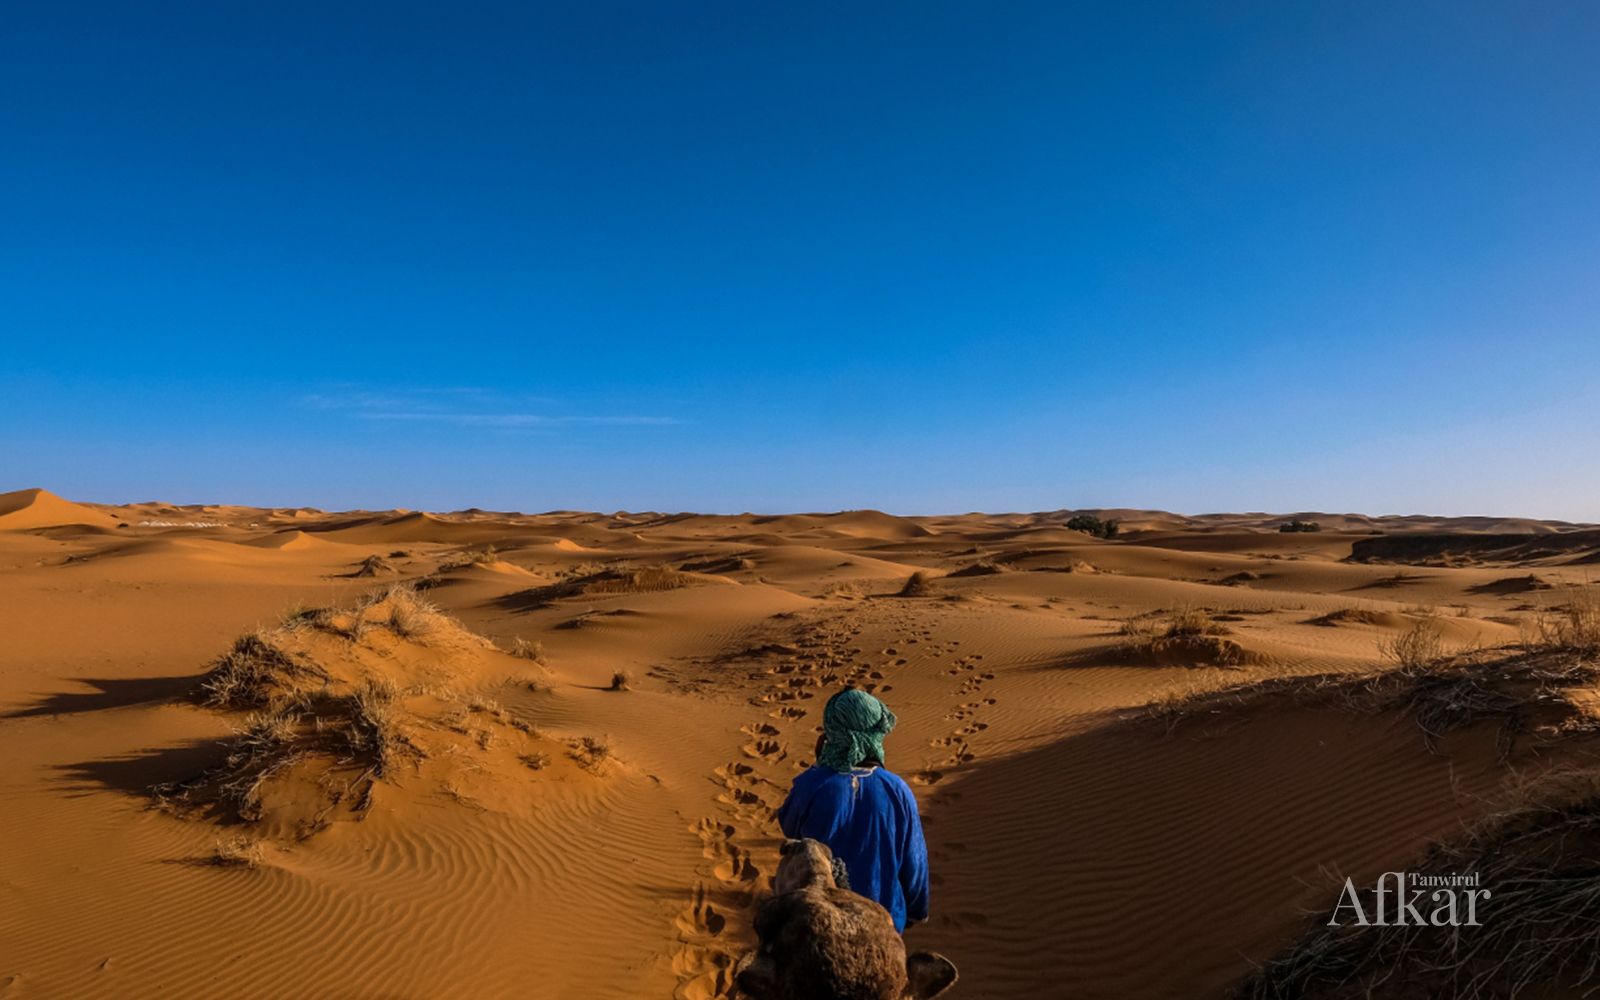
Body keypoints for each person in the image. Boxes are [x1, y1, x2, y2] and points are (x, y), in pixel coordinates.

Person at [775, 688, 930, 934]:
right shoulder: (898, 790)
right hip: (883, 922)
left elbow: (790, 828)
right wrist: (916, 911)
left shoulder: (809, 785)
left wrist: (818, 767)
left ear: (831, 732)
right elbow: (915, 861)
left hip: (821, 923)